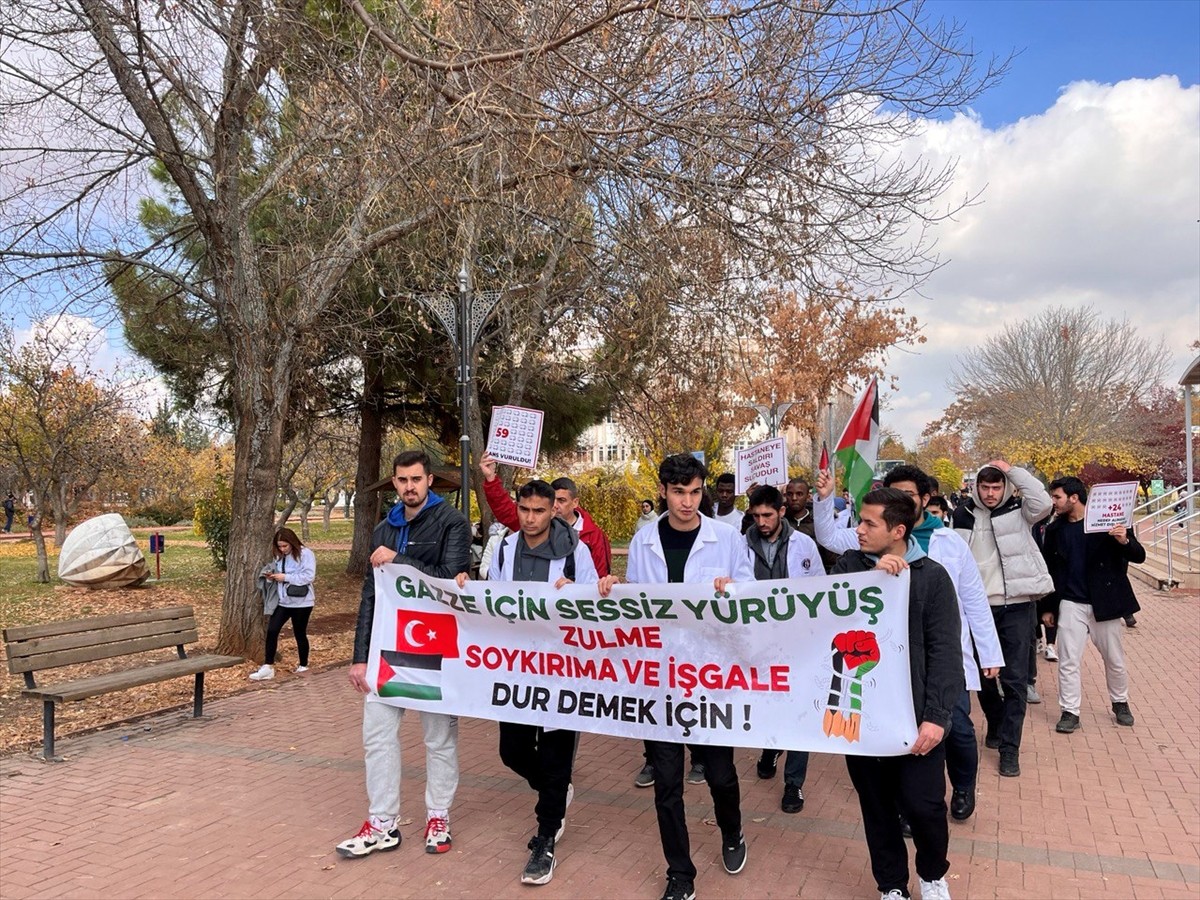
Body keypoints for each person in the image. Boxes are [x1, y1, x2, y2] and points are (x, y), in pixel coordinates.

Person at [598, 453, 753, 900]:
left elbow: (749, 593)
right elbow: (639, 601)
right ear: (664, 492)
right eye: (679, 492)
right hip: (660, 681)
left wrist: (733, 589)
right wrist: (611, 587)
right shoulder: (645, 539)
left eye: (695, 492)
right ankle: (680, 874)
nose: (688, 501)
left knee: (721, 775)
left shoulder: (725, 538)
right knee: (667, 785)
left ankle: (732, 831)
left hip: (710, 679)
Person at [816, 465, 1003, 824]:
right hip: (886, 668)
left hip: (943, 661)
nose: (903, 499)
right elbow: (828, 589)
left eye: (909, 495)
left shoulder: (948, 544)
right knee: (902, 744)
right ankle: (906, 806)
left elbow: (973, 600)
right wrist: (873, 581)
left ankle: (963, 785)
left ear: (923, 500)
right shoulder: (861, 551)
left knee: (958, 728)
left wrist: (988, 652)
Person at [456, 480, 598, 885]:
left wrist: (579, 592)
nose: (530, 518)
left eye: (539, 511)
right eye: (524, 510)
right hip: (518, 668)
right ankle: (556, 790)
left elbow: (598, 605)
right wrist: (467, 589)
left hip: (563, 670)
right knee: (512, 750)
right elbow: (494, 598)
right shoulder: (503, 547)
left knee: (555, 757)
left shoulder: (576, 552)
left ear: (555, 509)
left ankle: (546, 838)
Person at [337, 450, 472, 859]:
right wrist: (360, 657)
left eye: (416, 479)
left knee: (439, 739)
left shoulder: (453, 523)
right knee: (376, 736)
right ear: (394, 483)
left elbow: (452, 581)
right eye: (402, 480)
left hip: (437, 649)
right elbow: (370, 596)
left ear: (430, 480)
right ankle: (382, 822)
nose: (409, 487)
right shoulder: (384, 527)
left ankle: (438, 816)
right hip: (388, 649)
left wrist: (401, 561)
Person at [832, 487, 964, 900]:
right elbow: (819, 615)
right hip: (863, 715)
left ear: (898, 530)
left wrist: (938, 716)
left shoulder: (932, 577)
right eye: (860, 520)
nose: (860, 530)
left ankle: (931, 874)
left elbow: (945, 648)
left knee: (924, 806)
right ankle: (891, 884)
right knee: (877, 807)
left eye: (870, 523)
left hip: (917, 716)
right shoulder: (847, 567)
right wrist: (871, 580)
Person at [951, 460, 1053, 778]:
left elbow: (1044, 502)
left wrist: (1014, 472)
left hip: (1017, 605)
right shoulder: (962, 513)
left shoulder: (1020, 510)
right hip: (978, 609)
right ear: (976, 487)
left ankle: (1010, 748)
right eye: (986, 486)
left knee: (1014, 680)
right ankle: (995, 722)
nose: (991, 493)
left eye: (997, 486)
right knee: (981, 676)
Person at [743, 484, 825, 814]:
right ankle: (769, 746)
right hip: (758, 640)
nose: (761, 522)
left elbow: (820, 589)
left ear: (781, 512)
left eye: (767, 515)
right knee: (766, 702)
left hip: (797, 641)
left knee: (799, 708)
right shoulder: (740, 545)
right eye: (756, 515)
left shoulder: (804, 544)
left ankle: (794, 783)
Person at [1041, 476, 1143, 733]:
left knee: (1114, 658)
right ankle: (1070, 711)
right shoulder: (1055, 530)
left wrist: (1123, 540)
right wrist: (1048, 607)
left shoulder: (1108, 523)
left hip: (1104, 602)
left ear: (1074, 498)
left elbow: (1139, 555)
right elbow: (1050, 570)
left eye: (1057, 497)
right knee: (1068, 660)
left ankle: (1120, 702)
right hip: (1070, 602)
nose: (1053, 502)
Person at [480, 451, 612, 577]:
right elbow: (505, 509)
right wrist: (491, 479)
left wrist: (576, 589)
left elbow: (598, 581)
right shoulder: (530, 526)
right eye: (553, 500)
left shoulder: (591, 538)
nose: (530, 518)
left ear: (575, 502)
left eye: (562, 500)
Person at [249, 527, 316, 680]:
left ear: (292, 542)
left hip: (302, 602)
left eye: (285, 545)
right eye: (279, 546)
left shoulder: (306, 554)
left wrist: (285, 577)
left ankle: (303, 665)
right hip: (283, 601)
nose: (282, 549)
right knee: (272, 630)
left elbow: (308, 576)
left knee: (299, 633)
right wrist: (272, 577)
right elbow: (280, 573)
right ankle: (268, 666)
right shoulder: (280, 556)